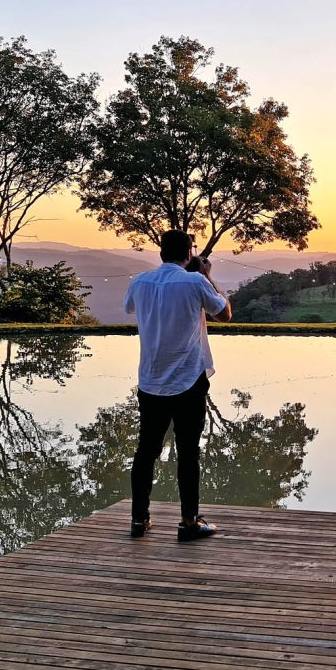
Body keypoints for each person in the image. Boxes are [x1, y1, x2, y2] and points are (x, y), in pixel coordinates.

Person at [124, 229, 233, 542]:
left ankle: (138, 520)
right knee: (188, 452)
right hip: (188, 378)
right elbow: (225, 314)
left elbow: (130, 307)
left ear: (161, 253)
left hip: (151, 379)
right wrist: (207, 275)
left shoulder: (140, 281)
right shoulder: (195, 281)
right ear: (189, 253)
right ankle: (188, 522)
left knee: (146, 450)